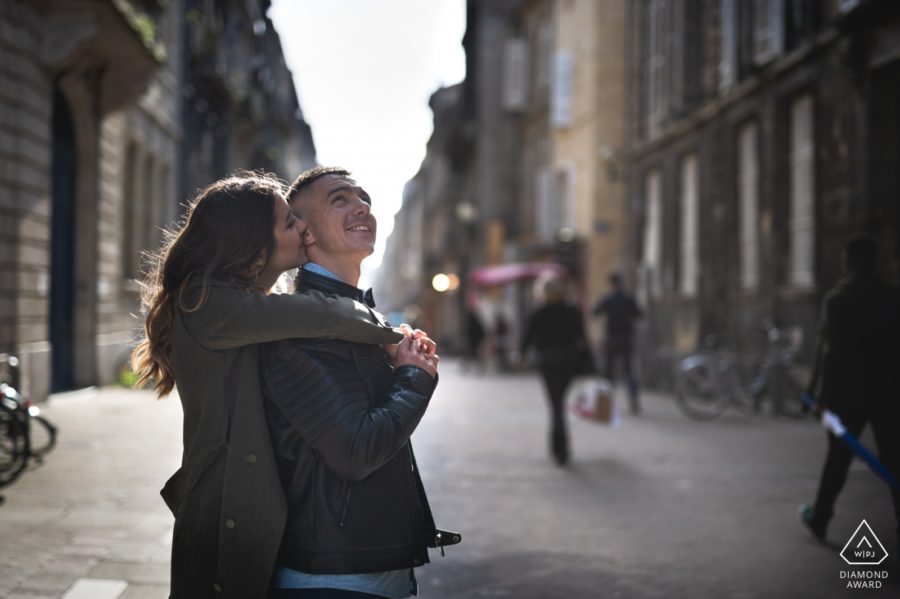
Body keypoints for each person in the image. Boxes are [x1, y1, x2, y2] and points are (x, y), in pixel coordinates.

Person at [131, 172, 407, 599]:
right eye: (288, 223)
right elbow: (325, 315)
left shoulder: (234, 303)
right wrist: (393, 336)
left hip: (241, 507)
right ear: (253, 242)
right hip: (226, 511)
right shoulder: (209, 302)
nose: (300, 229)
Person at [260, 166, 459, 599]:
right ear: (305, 232)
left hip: (368, 568)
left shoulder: (357, 318)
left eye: (363, 197)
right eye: (340, 199)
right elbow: (355, 450)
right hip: (333, 577)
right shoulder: (304, 327)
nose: (361, 207)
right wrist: (413, 379)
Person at [799, 234, 900, 548]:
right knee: (895, 458)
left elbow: (832, 355)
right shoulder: (893, 296)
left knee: (838, 459)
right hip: (887, 391)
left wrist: (819, 398)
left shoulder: (837, 300)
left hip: (848, 395)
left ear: (851, 261)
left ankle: (820, 519)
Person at [520, 275, 593, 466]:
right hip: (569, 362)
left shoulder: (539, 313)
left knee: (556, 405)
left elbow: (528, 338)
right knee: (559, 403)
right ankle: (561, 447)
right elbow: (582, 338)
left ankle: (559, 448)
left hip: (549, 362)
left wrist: (521, 355)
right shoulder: (572, 310)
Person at [592, 272, 643, 414]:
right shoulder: (628, 299)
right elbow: (639, 314)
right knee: (629, 371)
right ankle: (634, 402)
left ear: (611, 284)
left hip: (611, 339)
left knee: (608, 373)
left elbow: (595, 312)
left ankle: (605, 405)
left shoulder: (608, 299)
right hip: (626, 338)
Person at [462, 307, 486, 373]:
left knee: (472, 355)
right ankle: (478, 367)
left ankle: (468, 367)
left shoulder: (472, 323)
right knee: (473, 355)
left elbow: (469, 333)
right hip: (474, 342)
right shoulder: (476, 322)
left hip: (473, 342)